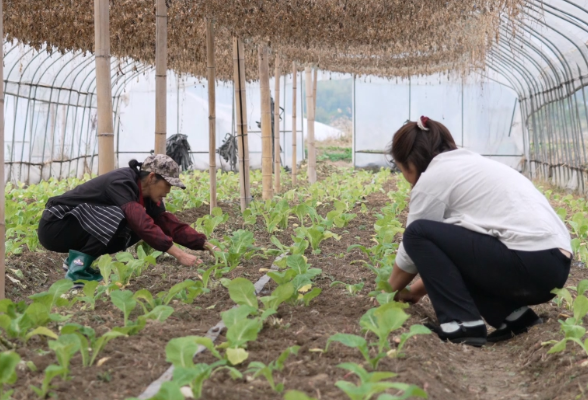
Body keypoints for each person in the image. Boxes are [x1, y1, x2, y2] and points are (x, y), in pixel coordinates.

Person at [387, 116, 572, 347]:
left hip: (529, 262)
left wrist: (387, 293)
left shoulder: (434, 177)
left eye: (402, 169)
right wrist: (415, 291)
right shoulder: (471, 164)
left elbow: (410, 251)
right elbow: (462, 254)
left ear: (409, 164)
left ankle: (462, 324)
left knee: (417, 233)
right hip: (552, 266)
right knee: (453, 235)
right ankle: (514, 317)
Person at [38, 154, 219, 284]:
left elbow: (169, 224)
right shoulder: (122, 182)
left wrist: (205, 244)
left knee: (137, 226)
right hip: (56, 224)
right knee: (124, 217)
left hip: (75, 227)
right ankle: (77, 272)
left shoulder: (150, 199)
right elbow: (138, 220)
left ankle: (76, 262)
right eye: (168, 184)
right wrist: (179, 255)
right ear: (152, 177)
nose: (169, 191)